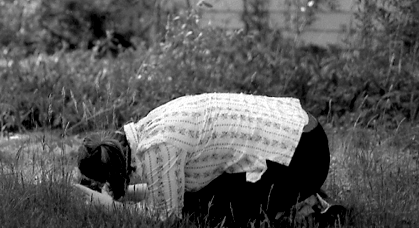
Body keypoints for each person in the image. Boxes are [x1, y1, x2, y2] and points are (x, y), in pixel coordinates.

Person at [75, 93, 331, 226]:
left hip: (305, 159)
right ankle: (302, 197)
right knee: (197, 192)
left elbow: (165, 215)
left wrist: (107, 204)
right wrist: (124, 193)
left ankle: (304, 208)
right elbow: (162, 188)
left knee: (205, 209)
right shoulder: (150, 124)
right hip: (304, 130)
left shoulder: (157, 148)